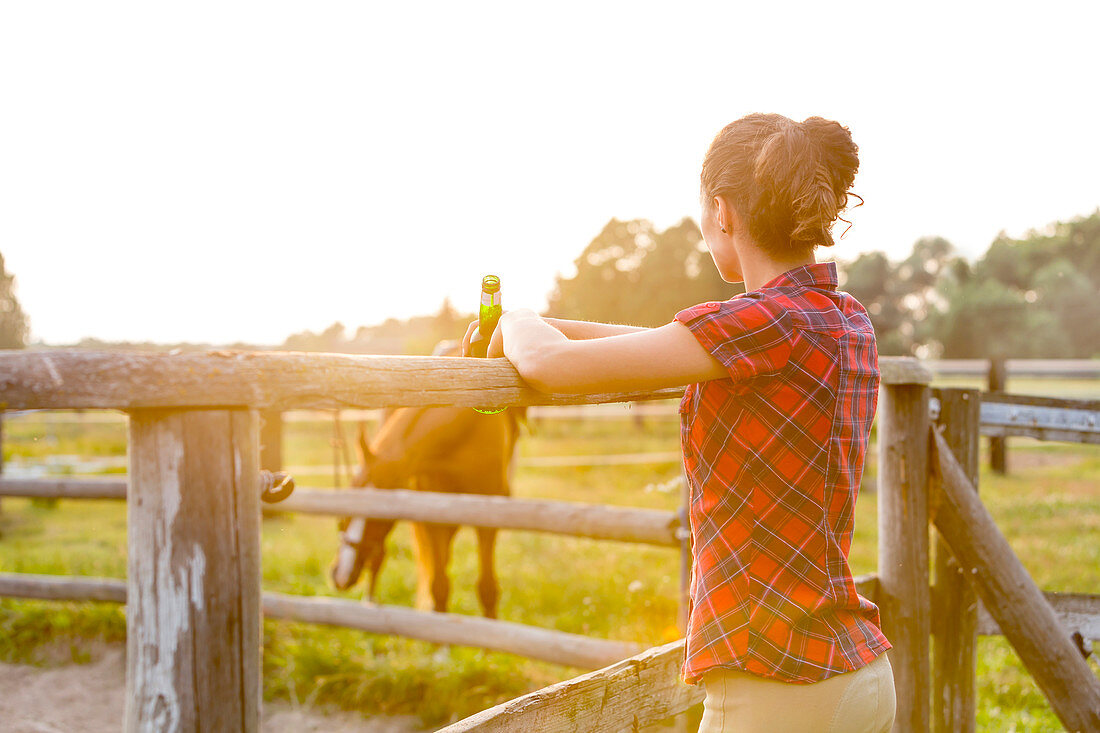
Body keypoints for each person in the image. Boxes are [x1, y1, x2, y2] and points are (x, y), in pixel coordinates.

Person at [461, 113, 896, 733]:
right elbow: (656, 345)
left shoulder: (760, 325)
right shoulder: (841, 318)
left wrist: (521, 315)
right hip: (857, 674)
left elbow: (552, 365)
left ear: (723, 211)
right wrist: (542, 327)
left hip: (773, 680)